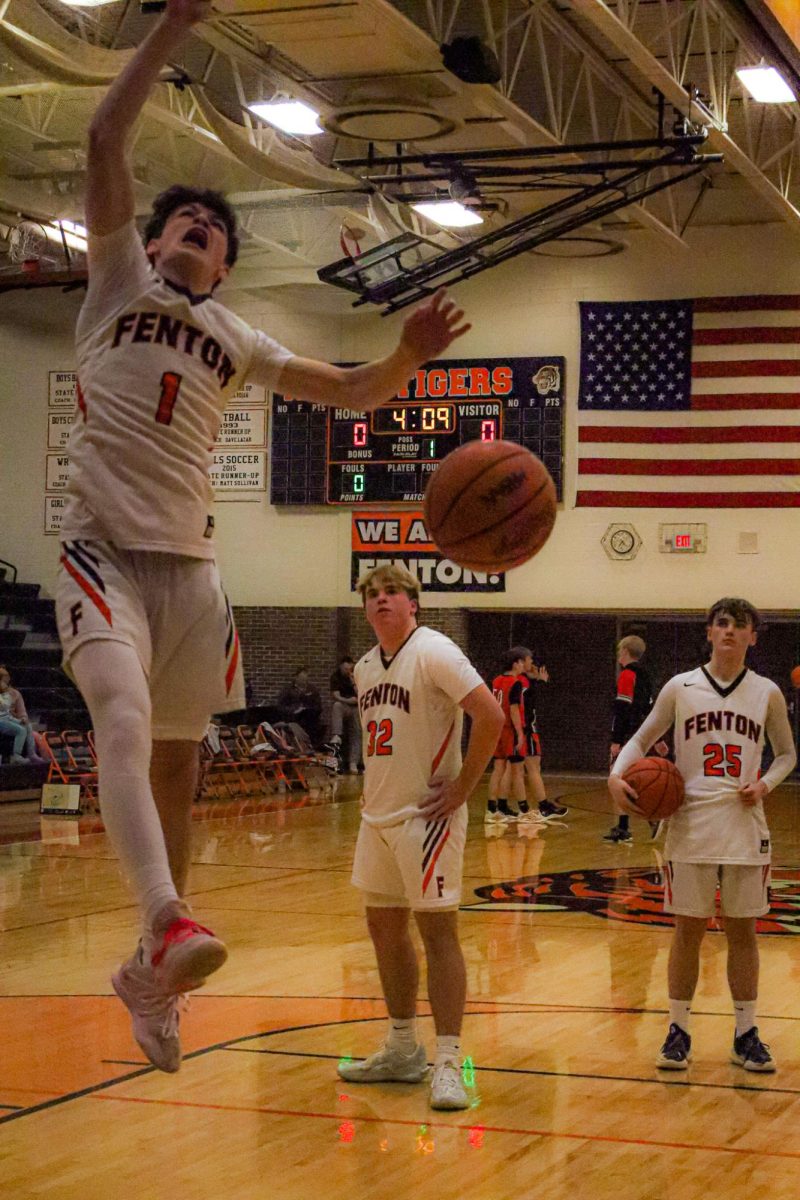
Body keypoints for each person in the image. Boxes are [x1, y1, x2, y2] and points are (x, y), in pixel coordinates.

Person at [54, 0, 470, 1075]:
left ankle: (154, 964)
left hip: (194, 572)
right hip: (103, 551)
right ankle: (167, 917)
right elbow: (106, 139)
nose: (197, 233)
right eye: (182, 224)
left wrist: (408, 356)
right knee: (123, 716)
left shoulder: (233, 334)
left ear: (225, 269)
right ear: (149, 243)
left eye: (213, 233)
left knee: (180, 772)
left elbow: (344, 389)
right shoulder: (114, 285)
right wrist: (170, 32)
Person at [337, 564, 503, 1109]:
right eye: (373, 594)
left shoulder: (434, 650)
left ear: (414, 604)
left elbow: (490, 714)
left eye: (393, 593)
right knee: (384, 931)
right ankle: (404, 1048)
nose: (382, 600)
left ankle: (450, 1061)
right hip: (376, 818)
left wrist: (463, 788)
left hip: (426, 817)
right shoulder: (364, 667)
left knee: (439, 934)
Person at [608, 598, 796, 1073]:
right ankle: (678, 1030)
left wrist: (766, 784)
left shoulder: (767, 692)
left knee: (743, 932)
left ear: (754, 636)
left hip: (743, 827)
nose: (730, 631)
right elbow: (640, 739)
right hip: (689, 826)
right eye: (723, 623)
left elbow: (788, 754)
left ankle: (746, 1032)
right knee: (686, 932)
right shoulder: (681, 686)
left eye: (741, 625)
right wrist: (616, 775)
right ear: (709, 632)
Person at [604, 635, 666, 844]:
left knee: (616, 778)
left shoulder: (627, 675)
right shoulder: (646, 676)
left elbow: (622, 709)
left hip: (630, 736)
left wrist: (616, 739)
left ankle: (628, 826)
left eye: (620, 651)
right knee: (636, 781)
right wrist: (658, 738)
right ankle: (644, 819)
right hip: (644, 734)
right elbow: (650, 709)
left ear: (624, 652)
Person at [519, 654, 568, 821]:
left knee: (515, 770)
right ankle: (542, 806)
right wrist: (539, 682)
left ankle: (517, 808)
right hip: (526, 730)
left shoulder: (522, 683)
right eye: (531, 663)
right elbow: (528, 706)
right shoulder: (524, 684)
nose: (532, 666)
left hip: (521, 730)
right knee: (531, 768)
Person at [486, 648, 529, 823]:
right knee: (518, 770)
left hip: (497, 730)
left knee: (498, 769)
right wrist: (519, 733)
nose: (523, 665)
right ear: (515, 663)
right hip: (510, 730)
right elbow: (513, 709)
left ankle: (491, 810)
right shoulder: (515, 683)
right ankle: (525, 810)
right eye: (521, 662)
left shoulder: (496, 681)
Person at [0, 666, 45, 765]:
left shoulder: (15, 694)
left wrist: (23, 718)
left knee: (27, 725)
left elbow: (21, 712)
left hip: (8, 718)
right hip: (3, 720)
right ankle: (16, 755)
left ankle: (32, 754)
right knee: (21, 730)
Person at [328, 655, 361, 772]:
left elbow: (361, 693)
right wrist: (348, 700)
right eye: (346, 669)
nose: (348, 671)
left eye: (350, 669)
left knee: (356, 733)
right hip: (344, 704)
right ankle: (336, 734)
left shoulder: (354, 676)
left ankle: (354, 763)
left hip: (356, 707)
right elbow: (336, 696)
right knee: (336, 706)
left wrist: (353, 681)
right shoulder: (335, 676)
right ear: (341, 666)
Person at [277, 667, 322, 744]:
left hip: (309, 718)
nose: (304, 681)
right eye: (301, 679)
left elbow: (319, 706)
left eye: (305, 679)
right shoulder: (287, 690)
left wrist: (309, 709)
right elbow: (280, 707)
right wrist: (294, 710)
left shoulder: (312, 689)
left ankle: (310, 744)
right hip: (293, 718)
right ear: (296, 677)